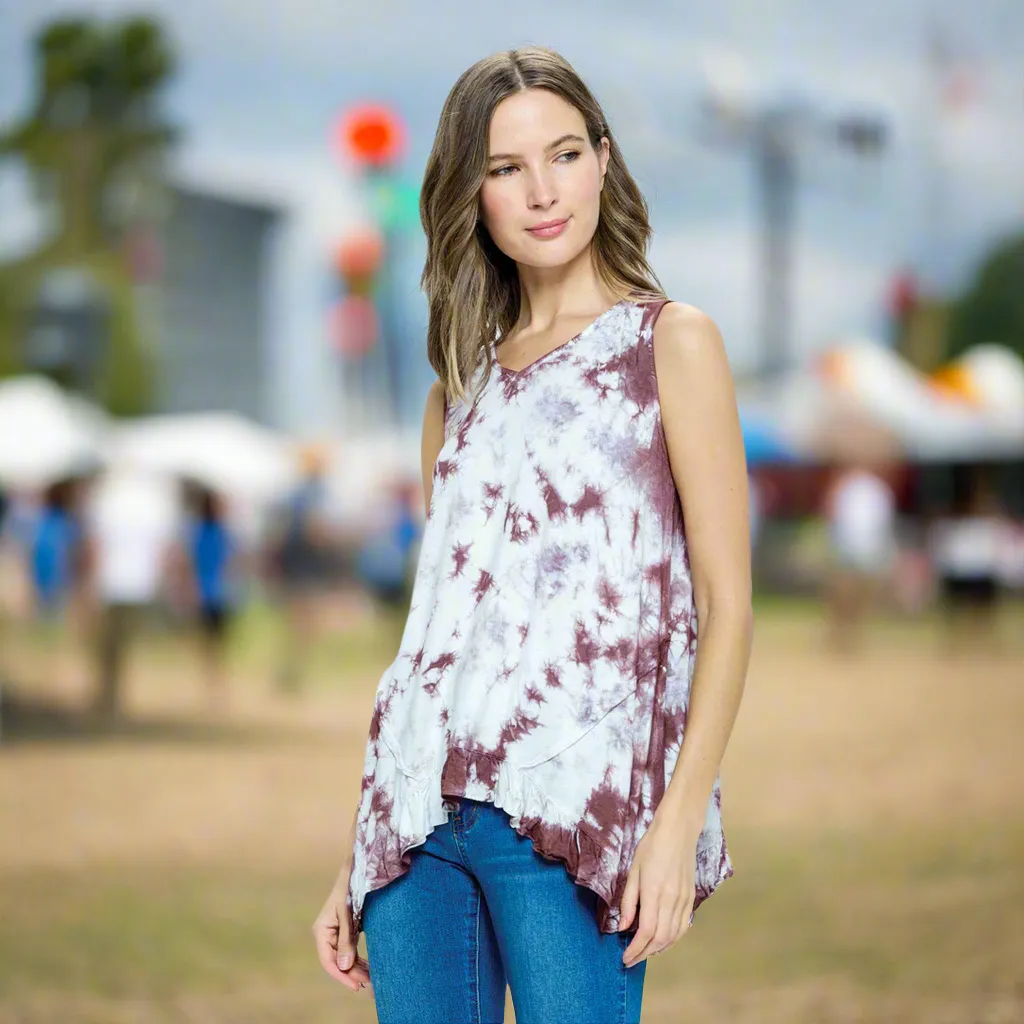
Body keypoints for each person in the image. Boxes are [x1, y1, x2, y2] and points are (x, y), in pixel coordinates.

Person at [312, 47, 753, 1024]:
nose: (542, 191)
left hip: (573, 807)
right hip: (417, 826)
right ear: (471, 192)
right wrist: (362, 839)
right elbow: (432, 640)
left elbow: (726, 606)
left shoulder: (667, 346)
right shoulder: (454, 394)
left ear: (603, 159)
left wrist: (676, 820)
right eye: (506, 168)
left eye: (562, 154)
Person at [170, 483, 239, 712]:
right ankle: (214, 689)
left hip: (213, 595)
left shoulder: (202, 532)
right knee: (213, 646)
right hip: (213, 595)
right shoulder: (216, 533)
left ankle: (213, 688)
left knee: (210, 646)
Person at [822, 457, 897, 653]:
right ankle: (840, 634)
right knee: (844, 594)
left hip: (864, 547)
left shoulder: (872, 488)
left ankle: (850, 634)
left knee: (857, 595)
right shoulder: (851, 487)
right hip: (851, 547)